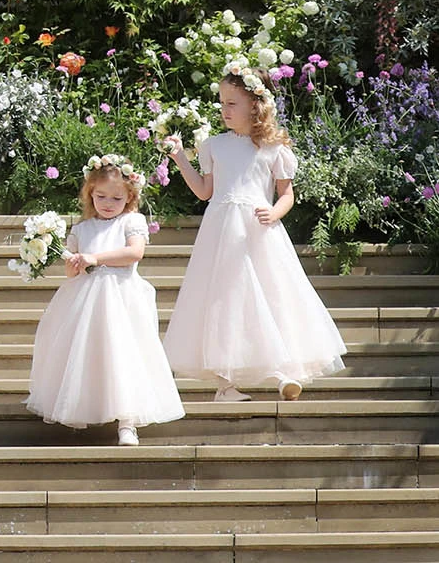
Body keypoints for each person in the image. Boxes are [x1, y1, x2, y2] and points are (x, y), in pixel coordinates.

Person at [161, 68, 345, 401]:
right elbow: (204, 191)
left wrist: (274, 212)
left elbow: (286, 194)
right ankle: (225, 384)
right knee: (223, 299)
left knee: (271, 294)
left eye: (232, 103)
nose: (224, 110)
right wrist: (179, 158)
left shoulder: (273, 148)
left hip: (259, 232)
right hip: (221, 233)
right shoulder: (214, 145)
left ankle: (281, 370)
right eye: (222, 103)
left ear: (255, 105)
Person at [25, 154, 183, 446]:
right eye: (101, 196)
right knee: (91, 355)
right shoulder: (81, 229)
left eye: (116, 198)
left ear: (129, 197)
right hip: (86, 302)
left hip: (121, 300)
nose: (108, 203)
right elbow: (71, 274)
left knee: (124, 355)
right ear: (90, 194)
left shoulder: (131, 221)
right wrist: (72, 262)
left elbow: (134, 253)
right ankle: (87, 406)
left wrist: (94, 258)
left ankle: (128, 421)